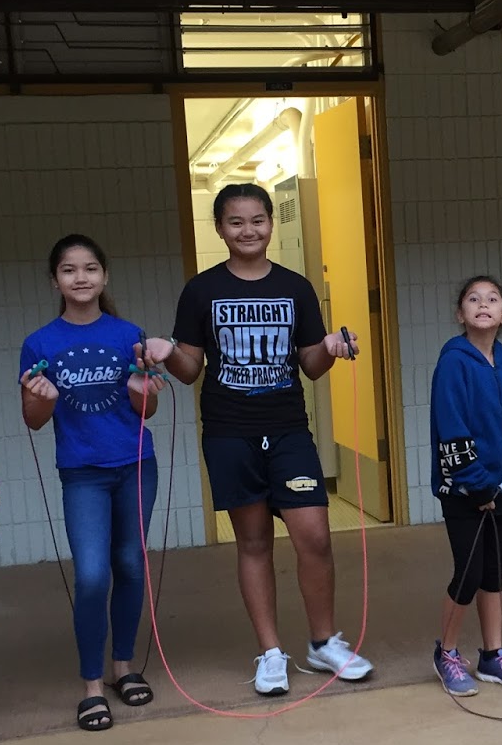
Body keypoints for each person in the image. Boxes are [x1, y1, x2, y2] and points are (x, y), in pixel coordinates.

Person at [140, 183, 371, 695]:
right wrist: (165, 349)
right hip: (228, 433)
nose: (248, 230)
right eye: (236, 222)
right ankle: (270, 654)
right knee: (253, 542)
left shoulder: (296, 287)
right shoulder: (201, 290)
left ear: (271, 223)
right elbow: (191, 368)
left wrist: (331, 347)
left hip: (288, 429)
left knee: (314, 536)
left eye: (257, 220)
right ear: (220, 229)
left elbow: (311, 366)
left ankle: (322, 642)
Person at [20, 234, 164, 732]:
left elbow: (150, 408)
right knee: (91, 575)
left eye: (89, 269)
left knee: (129, 564)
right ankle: (91, 686)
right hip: (82, 473)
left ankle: (123, 667)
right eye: (68, 270)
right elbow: (34, 419)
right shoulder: (39, 343)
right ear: (55, 279)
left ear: (104, 275)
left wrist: (141, 389)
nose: (80, 278)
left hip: (135, 464)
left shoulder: (129, 334)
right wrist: (42, 397)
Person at [429, 276, 502, 697]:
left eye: (492, 299)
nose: (483, 304)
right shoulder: (454, 362)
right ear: (461, 314)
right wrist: (476, 486)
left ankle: (493, 655)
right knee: (469, 572)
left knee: (494, 572)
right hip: (465, 491)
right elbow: (451, 428)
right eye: (473, 299)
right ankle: (447, 653)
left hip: (499, 488)